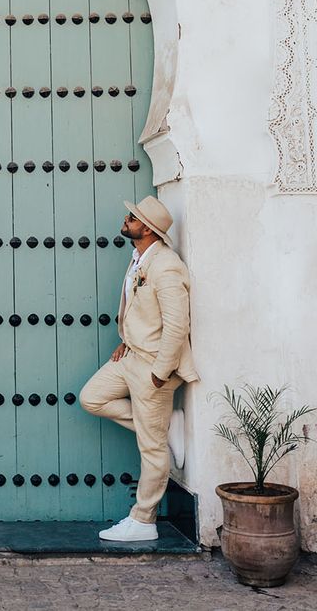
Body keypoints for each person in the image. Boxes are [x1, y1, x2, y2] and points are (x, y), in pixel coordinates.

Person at [80, 196, 199, 542]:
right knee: (92, 398)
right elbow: (141, 311)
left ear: (146, 228)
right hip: (131, 356)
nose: (126, 219)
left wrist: (160, 372)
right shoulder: (138, 258)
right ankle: (166, 429)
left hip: (152, 368)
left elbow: (177, 325)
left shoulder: (167, 266)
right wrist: (126, 338)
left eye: (132, 217)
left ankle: (143, 519)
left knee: (151, 448)